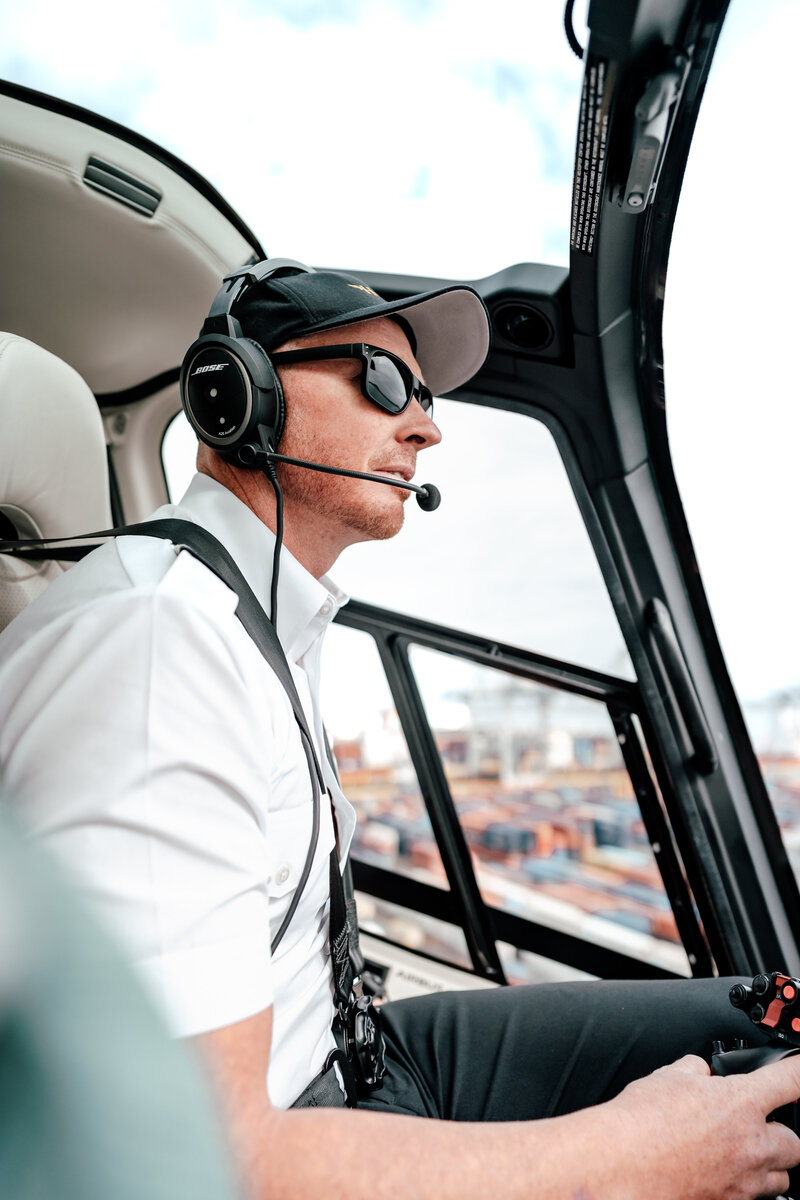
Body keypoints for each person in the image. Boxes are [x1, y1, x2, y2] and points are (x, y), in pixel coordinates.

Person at [1, 260, 799, 1200]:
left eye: (423, 395)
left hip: (363, 1054)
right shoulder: (153, 650)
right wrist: (627, 1159)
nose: (427, 425)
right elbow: (195, 1161)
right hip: (298, 1123)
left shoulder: (253, 616)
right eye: (384, 382)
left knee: (776, 1033)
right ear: (235, 394)